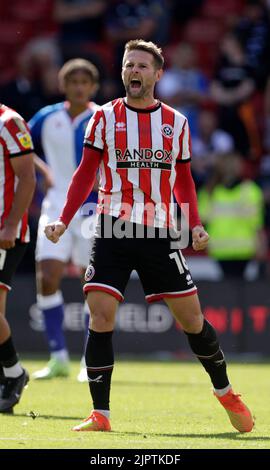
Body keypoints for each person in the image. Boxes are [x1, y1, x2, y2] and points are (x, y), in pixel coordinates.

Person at [44, 40, 254, 433]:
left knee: (192, 321)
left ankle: (226, 392)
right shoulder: (104, 118)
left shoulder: (176, 122)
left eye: (142, 66)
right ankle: (100, 414)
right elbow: (85, 175)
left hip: (160, 233)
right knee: (101, 315)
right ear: (123, 72)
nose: (134, 71)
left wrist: (194, 223)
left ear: (158, 74)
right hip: (111, 228)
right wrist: (63, 219)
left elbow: (185, 181)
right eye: (129, 65)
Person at [28, 59, 100, 381]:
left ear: (94, 87)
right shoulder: (47, 116)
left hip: (92, 209)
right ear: (64, 85)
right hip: (55, 205)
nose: (80, 86)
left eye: (85, 81)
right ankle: (58, 356)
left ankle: (89, 359)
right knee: (47, 277)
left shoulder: (102, 117)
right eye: (74, 81)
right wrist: (43, 171)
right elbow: (21, 144)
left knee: (93, 283)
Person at [0, 103, 36, 413]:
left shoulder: (9, 122)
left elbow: (27, 177)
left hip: (4, 232)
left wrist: (11, 223)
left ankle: (13, 374)